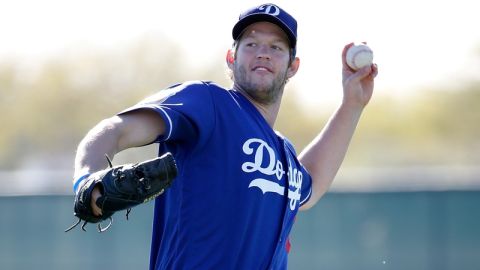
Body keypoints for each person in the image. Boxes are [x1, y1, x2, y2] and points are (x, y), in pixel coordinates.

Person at [72, 3, 378, 269]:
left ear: (292, 66)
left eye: (276, 47)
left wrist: (352, 105)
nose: (263, 53)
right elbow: (117, 129)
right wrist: (87, 180)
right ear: (231, 58)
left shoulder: (283, 154)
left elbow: (311, 183)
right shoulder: (208, 104)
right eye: (252, 44)